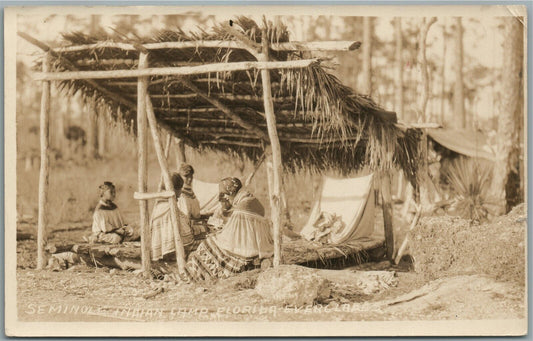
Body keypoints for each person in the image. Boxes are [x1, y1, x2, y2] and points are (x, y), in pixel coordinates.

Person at [179, 177, 273, 282]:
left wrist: (216, 235)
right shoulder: (250, 199)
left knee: (206, 244)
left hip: (246, 249)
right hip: (258, 243)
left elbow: (230, 236)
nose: (226, 198)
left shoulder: (242, 206)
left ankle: (192, 276)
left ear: (230, 193)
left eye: (226, 195)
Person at [151, 173, 196, 261]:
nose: (181, 191)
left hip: (163, 248)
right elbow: (186, 236)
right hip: (172, 250)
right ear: (175, 189)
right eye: (180, 188)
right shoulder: (170, 207)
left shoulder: (160, 205)